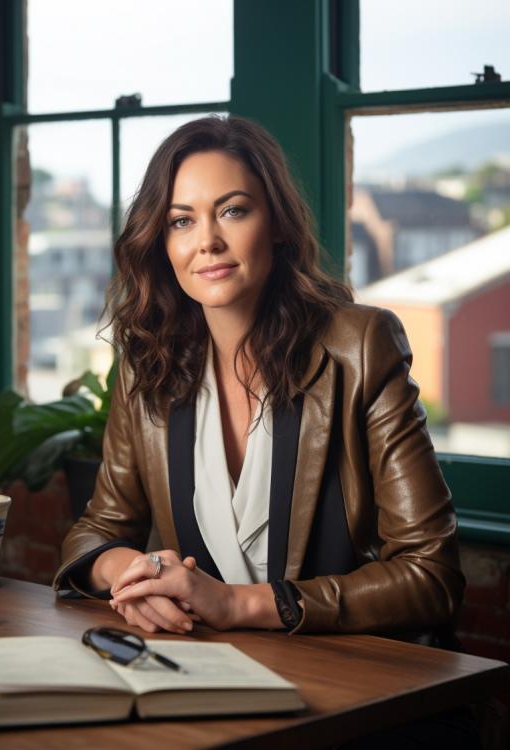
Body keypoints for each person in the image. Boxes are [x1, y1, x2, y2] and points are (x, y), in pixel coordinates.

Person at [53, 115, 478, 747]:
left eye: (232, 211)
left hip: (362, 700)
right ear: (161, 242)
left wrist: (241, 604)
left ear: (276, 223)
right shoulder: (148, 367)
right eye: (181, 220)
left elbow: (431, 575)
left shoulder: (359, 347)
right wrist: (133, 573)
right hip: (210, 688)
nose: (207, 243)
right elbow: (96, 531)